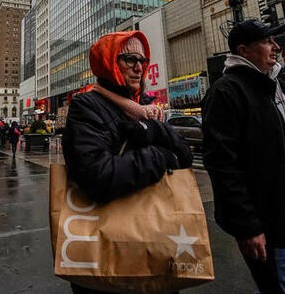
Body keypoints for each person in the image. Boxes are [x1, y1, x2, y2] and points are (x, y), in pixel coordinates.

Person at [201, 20, 285, 294]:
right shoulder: (227, 91)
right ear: (244, 50)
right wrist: (247, 228)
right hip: (270, 227)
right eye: (267, 41)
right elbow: (223, 165)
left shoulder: (279, 86)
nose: (276, 47)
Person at [63, 31, 192, 294]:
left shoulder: (149, 107)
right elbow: (98, 176)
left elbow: (185, 157)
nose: (138, 67)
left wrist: (154, 131)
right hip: (108, 252)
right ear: (108, 62)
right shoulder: (86, 106)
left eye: (142, 61)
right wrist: (160, 155)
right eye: (129, 59)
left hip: (157, 241)